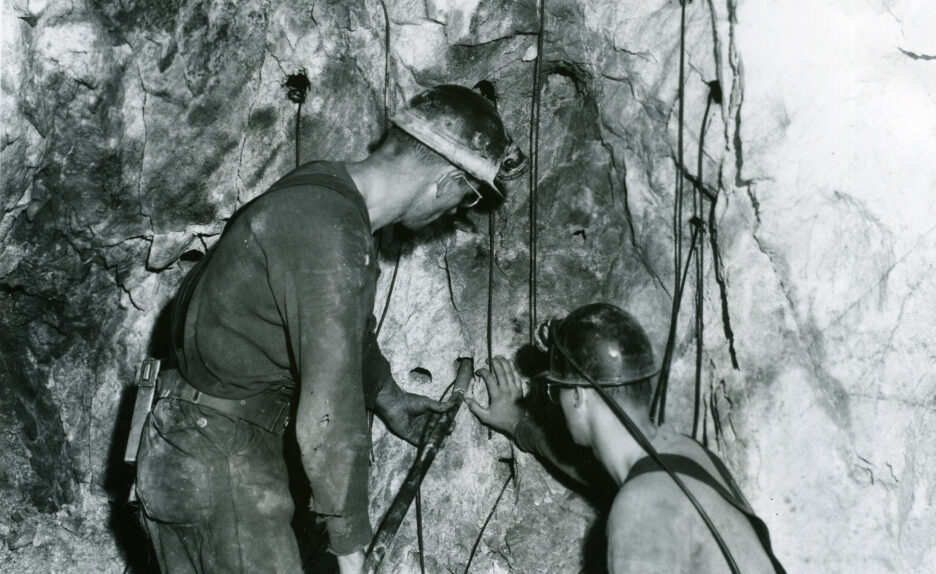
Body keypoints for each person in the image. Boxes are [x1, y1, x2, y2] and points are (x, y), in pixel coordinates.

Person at [134, 84, 524, 574]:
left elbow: (342, 335)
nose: (451, 213)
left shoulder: (323, 192)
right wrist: (350, 549)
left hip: (197, 443)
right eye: (463, 199)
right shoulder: (331, 232)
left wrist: (390, 398)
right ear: (446, 182)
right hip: (219, 457)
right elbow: (329, 409)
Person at [468, 302, 785, 573]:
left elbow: (633, 499)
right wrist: (517, 424)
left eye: (556, 392)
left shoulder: (639, 508)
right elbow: (591, 472)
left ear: (577, 396)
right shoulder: (682, 454)